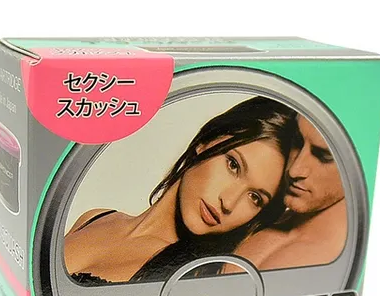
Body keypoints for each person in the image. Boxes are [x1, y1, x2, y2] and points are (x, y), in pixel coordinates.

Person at [64, 96, 296, 285]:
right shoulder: (94, 218)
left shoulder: (198, 279)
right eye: (233, 165)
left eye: (255, 198)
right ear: (206, 141)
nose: (228, 202)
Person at [224, 114, 347, 273]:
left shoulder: (352, 260)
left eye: (323, 156)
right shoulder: (257, 221)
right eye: (297, 141)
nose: (295, 170)